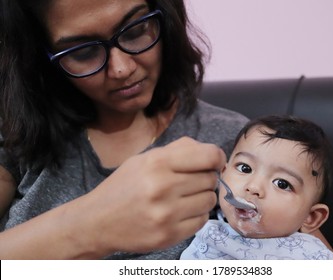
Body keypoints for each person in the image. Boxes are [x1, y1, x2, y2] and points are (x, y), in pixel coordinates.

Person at [0, 0, 249, 259]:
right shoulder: (15, 128)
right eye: (83, 52)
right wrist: (91, 225)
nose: (122, 68)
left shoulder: (239, 143)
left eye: (135, 31)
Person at [181, 115, 333, 260]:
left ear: (310, 217)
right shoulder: (206, 229)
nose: (254, 187)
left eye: (282, 184)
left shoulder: (313, 256)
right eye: (245, 168)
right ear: (223, 173)